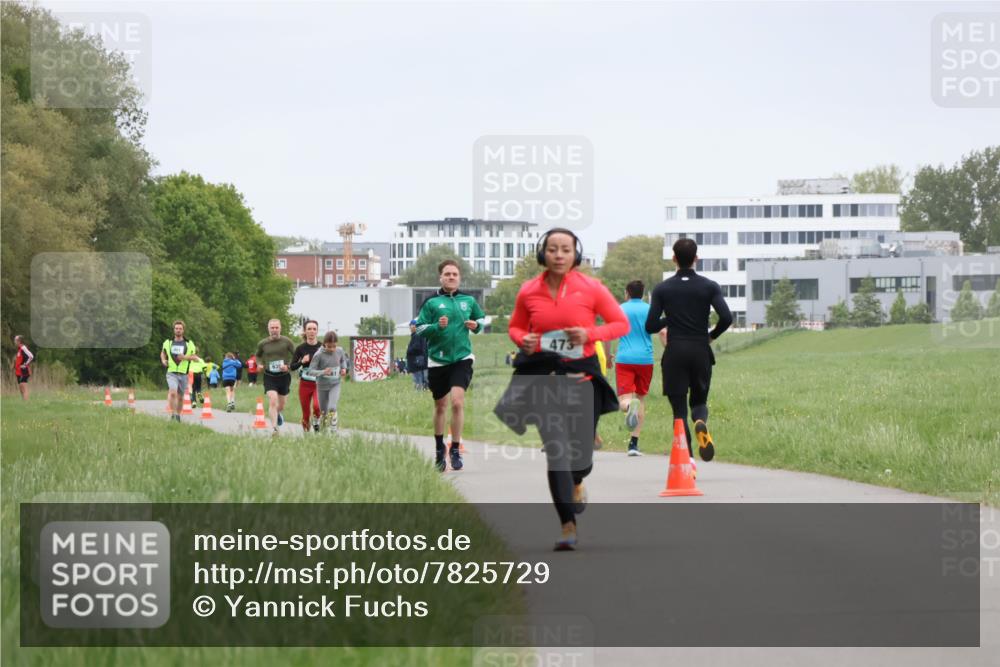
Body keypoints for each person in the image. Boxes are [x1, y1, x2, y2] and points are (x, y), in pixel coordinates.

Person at [496, 228, 628, 551]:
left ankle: (578, 481)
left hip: (581, 379)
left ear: (575, 255)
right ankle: (567, 526)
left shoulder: (592, 288)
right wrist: (522, 339)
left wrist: (589, 335)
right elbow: (515, 326)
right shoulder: (528, 290)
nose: (558, 255)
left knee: (580, 460)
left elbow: (620, 324)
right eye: (552, 249)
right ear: (543, 254)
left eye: (565, 250)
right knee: (556, 452)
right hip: (544, 377)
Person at [645, 238, 732, 463]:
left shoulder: (662, 289)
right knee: (699, 403)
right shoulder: (709, 286)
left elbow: (650, 326)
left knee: (679, 412)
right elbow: (726, 317)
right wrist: (711, 336)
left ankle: (689, 459)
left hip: (675, 352)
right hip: (700, 350)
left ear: (674, 259)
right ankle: (700, 421)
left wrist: (671, 317)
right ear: (696, 258)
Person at [414, 259, 486, 472]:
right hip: (437, 360)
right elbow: (419, 328)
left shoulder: (468, 300)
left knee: (457, 402)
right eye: (447, 274)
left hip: (462, 358)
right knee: (440, 406)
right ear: (441, 277)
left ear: (459, 277)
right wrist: (437, 326)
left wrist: (476, 325)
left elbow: (482, 320)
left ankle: (455, 448)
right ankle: (439, 448)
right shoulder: (431, 302)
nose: (451, 277)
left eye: (454, 274)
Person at [615, 280, 655, 456]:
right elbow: (660, 330)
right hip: (645, 359)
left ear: (627, 293)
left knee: (624, 400)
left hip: (625, 358)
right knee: (641, 399)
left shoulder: (620, 309)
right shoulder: (650, 309)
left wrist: (607, 356)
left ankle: (629, 405)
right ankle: (633, 445)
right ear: (643, 293)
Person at [255, 319, 296, 436]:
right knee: (273, 400)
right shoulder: (263, 343)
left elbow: (296, 355)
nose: (274, 330)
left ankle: (277, 414)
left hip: (284, 376)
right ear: (268, 329)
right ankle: (275, 429)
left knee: (281, 405)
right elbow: (257, 356)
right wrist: (259, 364)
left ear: (280, 328)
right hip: (269, 376)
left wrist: (288, 366)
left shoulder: (287, 341)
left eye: (276, 327)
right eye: (272, 328)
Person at [160, 320, 201, 422]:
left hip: (183, 374)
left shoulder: (189, 343)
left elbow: (195, 358)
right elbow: (163, 353)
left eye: (180, 329)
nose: (178, 330)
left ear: (183, 330)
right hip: (171, 372)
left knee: (180, 397)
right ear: (174, 330)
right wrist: (164, 360)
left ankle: (178, 415)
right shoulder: (168, 342)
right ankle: (173, 414)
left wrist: (185, 357)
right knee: (172, 393)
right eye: (176, 328)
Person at [309, 331, 348, 432]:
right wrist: (323, 372)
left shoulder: (339, 351)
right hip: (321, 386)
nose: (332, 349)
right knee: (323, 412)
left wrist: (344, 369)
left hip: (335, 384)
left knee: (332, 407)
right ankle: (323, 432)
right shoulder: (318, 354)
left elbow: (343, 360)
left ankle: (333, 427)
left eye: (334, 346)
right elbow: (311, 371)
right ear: (324, 344)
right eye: (329, 346)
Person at [289, 319, 323, 433]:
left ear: (317, 331)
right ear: (305, 331)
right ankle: (307, 436)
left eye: (314, 329)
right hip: (305, 384)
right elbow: (292, 366)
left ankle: (316, 421)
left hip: (319, 383)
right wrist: (302, 362)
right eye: (309, 329)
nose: (312, 331)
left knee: (317, 407)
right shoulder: (300, 348)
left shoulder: (322, 347)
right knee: (305, 414)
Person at [406, 319, 429, 391]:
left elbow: (417, 347)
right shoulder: (420, 334)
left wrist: (409, 349)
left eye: (411, 325)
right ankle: (424, 388)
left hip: (416, 360)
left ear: (415, 326)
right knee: (422, 376)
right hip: (421, 359)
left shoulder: (417, 335)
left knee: (418, 376)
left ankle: (419, 390)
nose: (410, 327)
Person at [12, 335, 34, 401]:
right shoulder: (19, 349)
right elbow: (20, 359)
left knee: (23, 386)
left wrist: (25, 364)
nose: (14, 341)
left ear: (19, 341)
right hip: (18, 371)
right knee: (20, 387)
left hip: (24, 370)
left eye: (15, 340)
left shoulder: (23, 348)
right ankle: (24, 401)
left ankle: (26, 402)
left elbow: (31, 356)